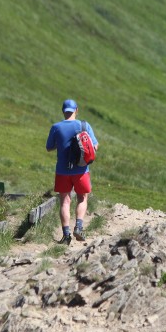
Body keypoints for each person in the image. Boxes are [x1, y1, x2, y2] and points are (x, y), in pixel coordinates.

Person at [46, 99, 99, 245]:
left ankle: (66, 235)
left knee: (65, 201)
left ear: (63, 111)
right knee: (82, 198)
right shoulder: (84, 125)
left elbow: (49, 147)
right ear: (76, 110)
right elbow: (95, 147)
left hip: (62, 170)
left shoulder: (56, 127)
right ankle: (79, 227)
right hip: (81, 170)